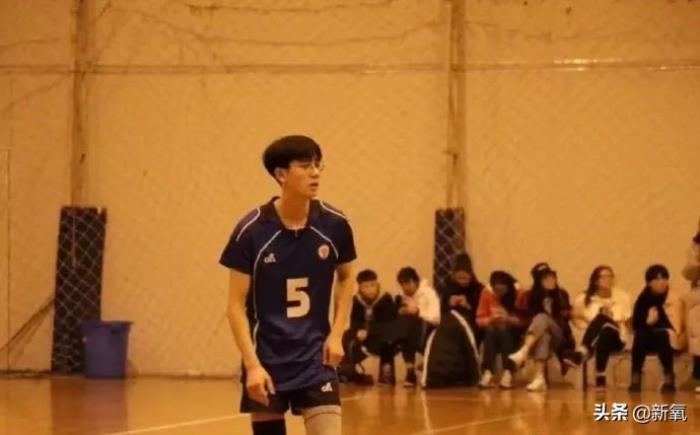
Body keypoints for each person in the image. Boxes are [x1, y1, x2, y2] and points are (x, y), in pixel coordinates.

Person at [220, 135, 356, 435]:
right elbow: (235, 306)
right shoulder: (251, 232)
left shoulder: (334, 224)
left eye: (318, 165)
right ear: (281, 174)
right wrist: (252, 366)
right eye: (305, 166)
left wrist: (337, 335)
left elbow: (347, 277)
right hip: (267, 360)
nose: (315, 173)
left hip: (316, 359)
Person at [508, 263, 575, 392]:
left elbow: (565, 318)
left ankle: (524, 350)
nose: (551, 280)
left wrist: (551, 314)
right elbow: (522, 318)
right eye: (546, 278)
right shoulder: (529, 296)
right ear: (538, 281)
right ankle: (539, 378)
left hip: (559, 335)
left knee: (542, 318)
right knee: (544, 336)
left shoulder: (561, 294)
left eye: (552, 277)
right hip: (538, 336)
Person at [571, 265, 632, 391]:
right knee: (604, 332)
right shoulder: (585, 299)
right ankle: (600, 377)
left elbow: (627, 321)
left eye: (610, 276)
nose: (608, 280)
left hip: (618, 337)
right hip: (597, 337)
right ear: (595, 281)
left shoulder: (623, 297)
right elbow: (576, 319)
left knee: (602, 318)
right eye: (604, 277)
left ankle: (583, 351)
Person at [338, 269, 397, 385]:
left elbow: (388, 324)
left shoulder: (386, 299)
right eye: (365, 286)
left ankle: (386, 377)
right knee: (346, 336)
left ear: (377, 285)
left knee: (387, 339)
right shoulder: (357, 300)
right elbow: (354, 321)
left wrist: (368, 331)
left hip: (381, 336)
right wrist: (358, 331)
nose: (370, 289)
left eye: (372, 285)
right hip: (363, 336)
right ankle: (348, 371)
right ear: (360, 288)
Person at [628, 265, 676, 393]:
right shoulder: (643, 299)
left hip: (666, 335)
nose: (661, 283)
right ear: (649, 283)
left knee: (662, 335)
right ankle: (635, 377)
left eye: (664, 279)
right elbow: (636, 325)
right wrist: (648, 322)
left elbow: (675, 321)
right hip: (646, 337)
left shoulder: (672, 297)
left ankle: (669, 378)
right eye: (657, 279)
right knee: (640, 335)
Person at [476, 270, 525, 389]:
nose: (499, 295)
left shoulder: (519, 293)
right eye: (496, 291)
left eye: (502, 291)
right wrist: (490, 319)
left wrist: (509, 319)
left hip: (514, 333)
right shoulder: (486, 293)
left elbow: (525, 321)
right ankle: (488, 372)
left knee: (502, 328)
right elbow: (479, 320)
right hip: (492, 332)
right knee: (492, 329)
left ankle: (508, 371)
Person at [394, 267, 441, 387]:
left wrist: (418, 312)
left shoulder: (428, 293)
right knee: (403, 324)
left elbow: (437, 318)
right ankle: (410, 370)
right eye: (402, 284)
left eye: (408, 283)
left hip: (430, 332)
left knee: (410, 323)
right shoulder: (402, 297)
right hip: (411, 334)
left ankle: (418, 368)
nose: (405, 287)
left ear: (416, 281)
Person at [439, 253, 485, 346]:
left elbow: (481, 314)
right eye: (459, 278)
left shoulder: (478, 288)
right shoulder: (449, 287)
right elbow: (442, 312)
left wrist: (467, 305)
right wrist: (449, 304)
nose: (462, 282)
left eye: (465, 278)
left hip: (472, 324)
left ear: (470, 275)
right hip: (452, 323)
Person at [682, 218, 700, 394]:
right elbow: (688, 273)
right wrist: (697, 264)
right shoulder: (695, 248)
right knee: (696, 329)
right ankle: (697, 372)